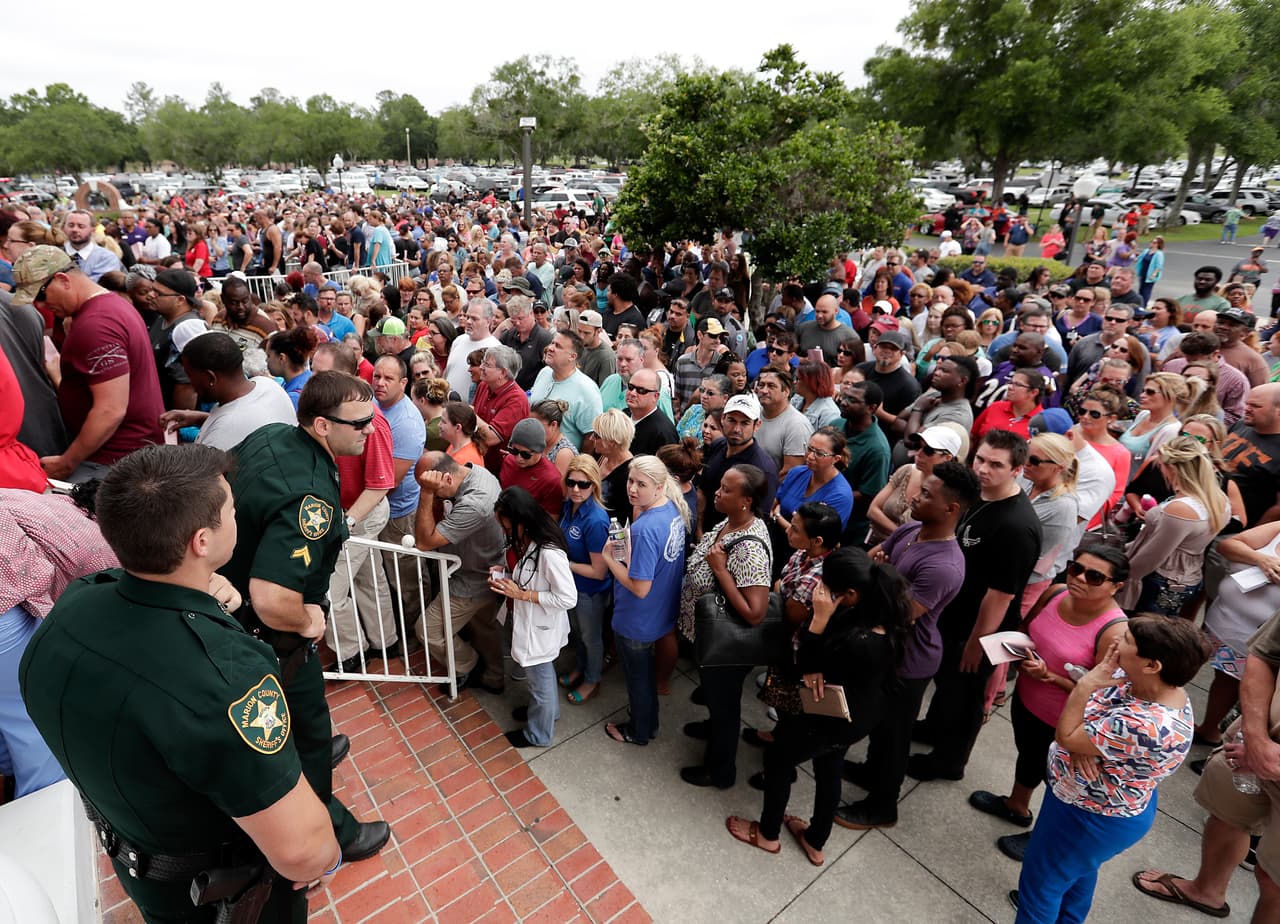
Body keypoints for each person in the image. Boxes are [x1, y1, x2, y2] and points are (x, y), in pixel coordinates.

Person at [19, 445, 345, 923]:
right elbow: (303, 849)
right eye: (232, 509)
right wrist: (327, 857)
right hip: (221, 897)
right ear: (201, 541)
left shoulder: (74, 607)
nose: (238, 514)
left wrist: (206, 594)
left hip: (145, 867)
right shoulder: (227, 679)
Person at [218, 372, 391, 863]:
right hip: (273, 637)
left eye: (372, 418)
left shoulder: (275, 435)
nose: (370, 430)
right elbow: (273, 597)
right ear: (321, 424)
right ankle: (333, 831)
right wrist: (307, 621)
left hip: (242, 619)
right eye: (358, 423)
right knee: (309, 741)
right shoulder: (308, 499)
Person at [725, 548, 912, 866]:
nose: (819, 591)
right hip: (855, 717)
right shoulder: (878, 617)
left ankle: (768, 834)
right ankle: (816, 839)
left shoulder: (860, 641)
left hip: (826, 718)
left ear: (851, 594)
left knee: (779, 759)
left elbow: (808, 665)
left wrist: (819, 621)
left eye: (826, 587)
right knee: (830, 770)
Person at [1014, 617, 1209, 922]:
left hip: (1089, 816)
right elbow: (1087, 723)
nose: (1117, 642)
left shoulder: (1147, 726)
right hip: (1085, 802)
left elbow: (1068, 731)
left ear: (1152, 665)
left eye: (1128, 640)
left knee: (1040, 887)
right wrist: (1082, 742)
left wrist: (1078, 731)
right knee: (1075, 874)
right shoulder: (1143, 679)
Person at [969, 547, 1130, 863]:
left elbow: (1103, 698)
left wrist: (1050, 678)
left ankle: (1042, 840)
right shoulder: (1056, 592)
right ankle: (1016, 805)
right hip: (1027, 702)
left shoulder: (1115, 632)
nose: (1080, 578)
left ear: (1117, 586)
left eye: (1094, 576)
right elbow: (1024, 634)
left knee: (1058, 784)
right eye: (1075, 569)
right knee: (1028, 755)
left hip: (1063, 722)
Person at [837, 462, 973, 830]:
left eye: (927, 494)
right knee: (878, 727)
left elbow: (899, 614)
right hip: (884, 651)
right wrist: (880, 576)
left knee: (894, 737)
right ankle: (869, 772)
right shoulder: (913, 527)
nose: (915, 496)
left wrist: (878, 577)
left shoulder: (945, 565)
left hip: (909, 661)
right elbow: (868, 563)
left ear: (951, 509)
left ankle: (883, 806)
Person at [911, 430, 1042, 782]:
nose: (983, 469)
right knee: (948, 686)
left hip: (990, 629)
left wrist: (976, 645)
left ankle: (949, 762)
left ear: (1017, 469)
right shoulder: (979, 495)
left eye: (996, 465)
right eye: (980, 459)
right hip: (957, 615)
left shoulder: (1017, 525)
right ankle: (932, 729)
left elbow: (1001, 596)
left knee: (966, 697)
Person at [0, 486, 120, 799]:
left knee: (9, 715)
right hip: (4, 610)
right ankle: (41, 830)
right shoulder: (103, 543)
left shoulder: (41, 500)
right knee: (39, 728)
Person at [12, 245, 163, 481]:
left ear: (63, 280)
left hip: (112, 460)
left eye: (40, 296)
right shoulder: (106, 307)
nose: (40, 306)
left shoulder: (96, 324)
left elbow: (110, 410)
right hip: (121, 454)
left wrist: (66, 463)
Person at [678, 464, 773, 788]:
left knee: (726, 706)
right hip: (707, 637)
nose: (717, 492)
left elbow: (755, 612)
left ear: (746, 500)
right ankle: (712, 725)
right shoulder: (732, 522)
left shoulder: (749, 549)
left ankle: (720, 771)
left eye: (726, 490)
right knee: (717, 701)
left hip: (727, 648)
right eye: (720, 486)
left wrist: (720, 571)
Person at [603, 455, 689, 746]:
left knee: (638, 677)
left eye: (642, 484)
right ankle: (647, 721)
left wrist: (608, 558)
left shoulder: (645, 528)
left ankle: (638, 731)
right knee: (645, 676)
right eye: (630, 481)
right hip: (661, 609)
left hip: (637, 617)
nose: (633, 489)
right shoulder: (672, 509)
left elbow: (639, 588)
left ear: (660, 486)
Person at [412, 451, 507, 694]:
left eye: (433, 486)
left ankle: (467, 665)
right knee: (483, 626)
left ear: (446, 479)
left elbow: (424, 542)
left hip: (472, 582)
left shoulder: (474, 505)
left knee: (428, 629)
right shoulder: (476, 472)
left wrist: (426, 493)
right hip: (486, 570)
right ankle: (495, 675)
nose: (431, 491)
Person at [487, 488, 576, 748]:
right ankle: (547, 714)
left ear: (520, 520)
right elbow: (528, 575)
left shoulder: (549, 553)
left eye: (504, 523)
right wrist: (505, 572)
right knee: (541, 679)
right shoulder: (528, 542)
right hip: (532, 624)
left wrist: (522, 594)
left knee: (541, 684)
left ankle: (538, 734)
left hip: (541, 629)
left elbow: (568, 598)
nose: (502, 528)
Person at [1117, 435, 1230, 616]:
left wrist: (1120, 575)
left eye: (1161, 464)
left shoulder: (1181, 509)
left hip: (1159, 580)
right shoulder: (1219, 498)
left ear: (1172, 468)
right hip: (1186, 577)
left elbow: (1151, 556)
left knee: (1140, 633)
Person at [161, 330, 297, 450]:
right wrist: (201, 418)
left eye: (190, 375)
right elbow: (246, 424)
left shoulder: (219, 438)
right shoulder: (267, 385)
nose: (190, 382)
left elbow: (233, 426)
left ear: (210, 377)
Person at [557, 455, 612, 705]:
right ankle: (581, 667)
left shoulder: (596, 520)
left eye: (583, 484)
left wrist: (564, 564)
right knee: (578, 634)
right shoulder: (569, 505)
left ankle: (592, 678)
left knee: (591, 637)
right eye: (571, 482)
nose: (576, 489)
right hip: (572, 586)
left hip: (589, 591)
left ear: (594, 485)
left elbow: (598, 571)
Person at [697, 394, 780, 537]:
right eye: (732, 420)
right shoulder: (718, 445)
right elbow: (703, 490)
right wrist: (699, 530)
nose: (737, 429)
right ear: (723, 419)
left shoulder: (763, 468)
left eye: (745, 423)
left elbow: (758, 521)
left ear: (757, 425)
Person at [866, 426, 960, 546]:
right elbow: (872, 510)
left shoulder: (946, 494)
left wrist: (896, 536)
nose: (919, 453)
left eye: (928, 450)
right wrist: (901, 535)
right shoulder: (906, 470)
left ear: (947, 458)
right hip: (873, 543)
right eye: (918, 446)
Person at [835, 377, 892, 546]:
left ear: (871, 408)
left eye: (852, 400)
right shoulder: (835, 425)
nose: (844, 402)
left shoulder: (877, 449)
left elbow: (868, 494)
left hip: (851, 528)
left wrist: (831, 496)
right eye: (845, 397)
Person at [771, 426, 855, 535]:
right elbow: (774, 503)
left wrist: (778, 517)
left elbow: (814, 538)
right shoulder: (796, 472)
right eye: (810, 449)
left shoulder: (840, 495)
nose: (810, 456)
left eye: (819, 454)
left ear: (836, 459)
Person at [1221, 384, 1280, 526]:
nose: (1246, 409)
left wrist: (1249, 534)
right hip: (1206, 507)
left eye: (1255, 406)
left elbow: (1278, 508)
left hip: (1234, 525)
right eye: (1247, 403)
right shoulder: (1242, 425)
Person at [1119, 372, 1190, 480]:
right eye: (1143, 391)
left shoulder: (1171, 430)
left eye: (1150, 392)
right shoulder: (1143, 415)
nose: (1142, 395)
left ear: (1171, 396)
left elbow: (1153, 471)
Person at [500, 418, 565, 518]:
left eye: (525, 454)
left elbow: (551, 521)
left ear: (540, 450)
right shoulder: (508, 461)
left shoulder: (552, 480)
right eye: (514, 451)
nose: (518, 458)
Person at [676, 374, 730, 442]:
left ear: (725, 398)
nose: (703, 396)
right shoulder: (694, 410)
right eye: (702, 390)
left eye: (710, 393)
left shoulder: (728, 421)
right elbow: (677, 434)